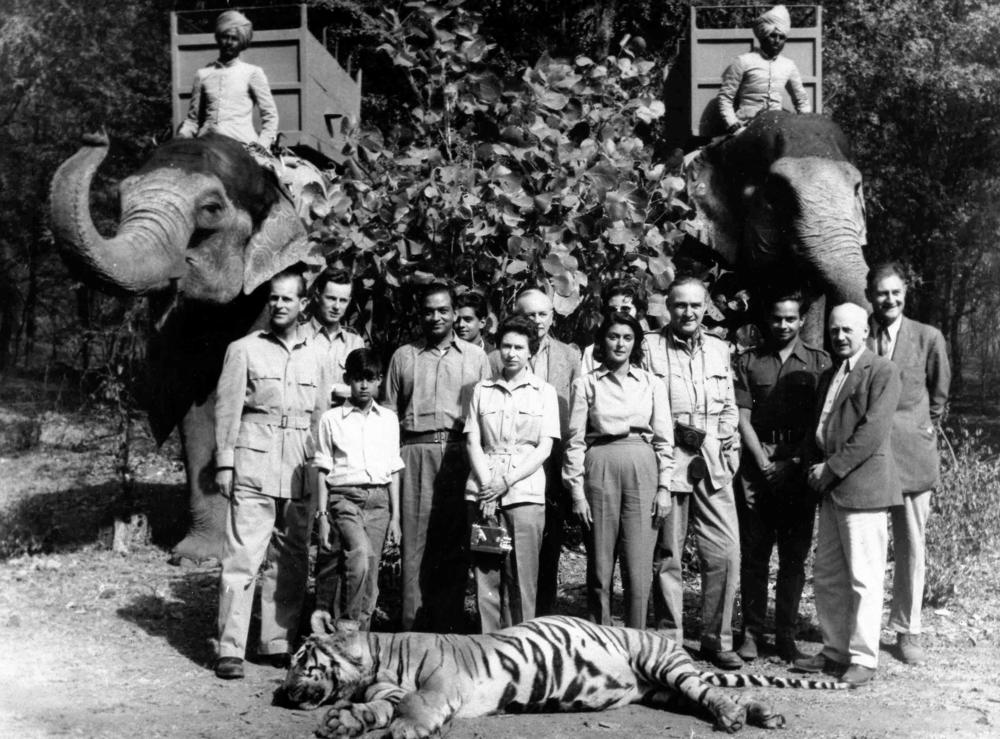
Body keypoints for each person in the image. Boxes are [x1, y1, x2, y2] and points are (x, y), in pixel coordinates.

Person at [213, 269, 330, 679]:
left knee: (291, 558)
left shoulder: (318, 356)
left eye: (287, 299)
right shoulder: (243, 349)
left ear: (303, 304)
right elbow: (227, 409)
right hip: (253, 462)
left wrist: (320, 472)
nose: (279, 305)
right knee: (243, 557)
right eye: (274, 298)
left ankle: (276, 641)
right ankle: (229, 648)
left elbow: (321, 419)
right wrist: (225, 461)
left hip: (299, 465)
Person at [794, 303, 902, 687]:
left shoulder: (883, 371)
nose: (839, 336)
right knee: (827, 576)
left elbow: (871, 433)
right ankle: (835, 650)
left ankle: (864, 658)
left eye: (847, 331)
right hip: (831, 490)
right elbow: (821, 426)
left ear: (865, 332)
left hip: (863, 489)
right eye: (835, 330)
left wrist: (831, 469)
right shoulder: (830, 374)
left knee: (864, 577)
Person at [646, 276, 742, 670]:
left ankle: (717, 640)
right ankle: (670, 639)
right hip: (669, 457)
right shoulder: (650, 347)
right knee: (668, 552)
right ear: (668, 307)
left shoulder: (720, 350)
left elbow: (730, 406)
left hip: (712, 460)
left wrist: (727, 444)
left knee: (725, 551)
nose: (688, 313)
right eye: (680, 305)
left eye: (695, 306)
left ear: (706, 308)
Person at [384, 282, 491, 632]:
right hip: (415, 450)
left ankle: (448, 627)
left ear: (453, 312)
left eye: (443, 310)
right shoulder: (404, 356)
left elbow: (489, 413)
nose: (436, 317)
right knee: (414, 543)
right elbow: (387, 416)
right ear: (420, 313)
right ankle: (413, 628)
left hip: (461, 453)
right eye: (429, 310)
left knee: (455, 542)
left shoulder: (476, 358)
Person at [733, 291, 830, 662]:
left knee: (793, 558)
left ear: (802, 320)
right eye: (777, 318)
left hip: (798, 467)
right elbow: (742, 416)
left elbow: (819, 420)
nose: (784, 325)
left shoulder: (820, 363)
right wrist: (762, 461)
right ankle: (752, 634)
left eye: (791, 318)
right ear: (767, 320)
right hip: (757, 467)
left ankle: (785, 635)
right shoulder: (749, 360)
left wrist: (792, 463)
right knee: (754, 556)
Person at [565, 312, 674, 628]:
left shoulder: (652, 384)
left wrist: (664, 487)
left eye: (628, 338)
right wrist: (576, 491)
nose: (620, 343)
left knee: (638, 566)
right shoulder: (585, 383)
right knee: (600, 565)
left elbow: (665, 440)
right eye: (613, 336)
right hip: (599, 465)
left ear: (636, 343)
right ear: (601, 341)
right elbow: (574, 440)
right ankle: (601, 639)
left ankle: (635, 640)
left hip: (642, 465)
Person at [865, 262, 951, 666]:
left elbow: (939, 394)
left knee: (911, 545)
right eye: (882, 292)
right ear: (871, 295)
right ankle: (860, 629)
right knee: (867, 544)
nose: (890, 299)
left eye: (896, 292)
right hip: (867, 455)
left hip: (913, 455)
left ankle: (908, 629)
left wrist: (922, 427)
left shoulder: (928, 337)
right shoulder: (857, 332)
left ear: (905, 294)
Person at [464, 316, 560, 632]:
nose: (511, 353)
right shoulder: (482, 390)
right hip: (484, 494)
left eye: (519, 347)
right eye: (506, 346)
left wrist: (505, 482)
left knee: (521, 577)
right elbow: (474, 441)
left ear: (530, 351)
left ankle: (521, 646)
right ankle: (489, 646)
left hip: (524, 494)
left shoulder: (544, 392)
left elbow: (544, 448)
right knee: (488, 574)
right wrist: (487, 486)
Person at [490, 287, 580, 616]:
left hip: (552, 459)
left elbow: (575, 413)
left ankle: (542, 617)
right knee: (503, 539)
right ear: (516, 317)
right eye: (529, 315)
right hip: (509, 458)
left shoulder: (569, 356)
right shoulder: (498, 355)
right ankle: (504, 618)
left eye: (543, 314)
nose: (537, 321)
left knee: (548, 541)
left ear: (553, 316)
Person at [312, 349, 403, 630]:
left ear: (379, 381)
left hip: (378, 503)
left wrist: (396, 518)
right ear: (347, 380)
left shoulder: (387, 419)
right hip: (344, 499)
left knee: (370, 575)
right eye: (357, 379)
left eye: (370, 379)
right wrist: (322, 515)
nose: (364, 386)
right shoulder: (332, 419)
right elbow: (324, 468)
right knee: (359, 557)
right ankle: (347, 627)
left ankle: (358, 643)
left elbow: (393, 470)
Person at [177, 10, 278, 151]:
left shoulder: (252, 73)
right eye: (225, 37)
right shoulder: (203, 74)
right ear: (218, 38)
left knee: (263, 170)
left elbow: (270, 115)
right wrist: (182, 135)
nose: (229, 43)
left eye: (234, 38)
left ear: (241, 41)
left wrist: (263, 143)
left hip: (243, 145)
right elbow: (193, 120)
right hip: (206, 145)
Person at [716, 4, 811, 136]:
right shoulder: (743, 61)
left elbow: (801, 100)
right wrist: (734, 126)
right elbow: (725, 98)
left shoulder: (788, 65)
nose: (777, 41)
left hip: (777, 126)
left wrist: (806, 127)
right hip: (746, 127)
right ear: (763, 36)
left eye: (782, 37)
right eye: (773, 36)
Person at [306, 269, 366, 403]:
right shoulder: (297, 336)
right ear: (317, 296)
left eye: (343, 300)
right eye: (331, 298)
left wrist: (335, 389)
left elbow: (365, 390)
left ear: (349, 302)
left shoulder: (355, 343)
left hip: (343, 420)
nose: (337, 307)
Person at [580, 280, 649, 374]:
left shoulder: (651, 348)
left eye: (626, 309)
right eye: (612, 310)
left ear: (639, 312)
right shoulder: (592, 352)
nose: (618, 314)